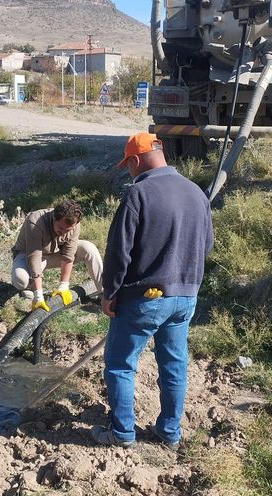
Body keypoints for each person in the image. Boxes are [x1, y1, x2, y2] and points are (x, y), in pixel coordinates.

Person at [89, 132, 213, 449]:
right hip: (185, 297)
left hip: (145, 299)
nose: (129, 172)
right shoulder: (196, 192)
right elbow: (207, 245)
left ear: (135, 160)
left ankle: (122, 433)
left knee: (120, 364)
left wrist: (109, 293)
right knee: (173, 366)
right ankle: (170, 433)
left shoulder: (138, 194)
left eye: (127, 165)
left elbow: (119, 253)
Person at [10, 200, 103, 311]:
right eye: (61, 229)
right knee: (21, 279)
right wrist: (39, 296)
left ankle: (105, 294)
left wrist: (64, 286)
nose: (64, 233)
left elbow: (68, 255)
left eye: (68, 230)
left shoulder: (74, 223)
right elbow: (34, 258)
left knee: (89, 248)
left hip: (52, 255)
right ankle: (29, 286)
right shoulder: (35, 222)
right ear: (54, 217)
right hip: (27, 255)